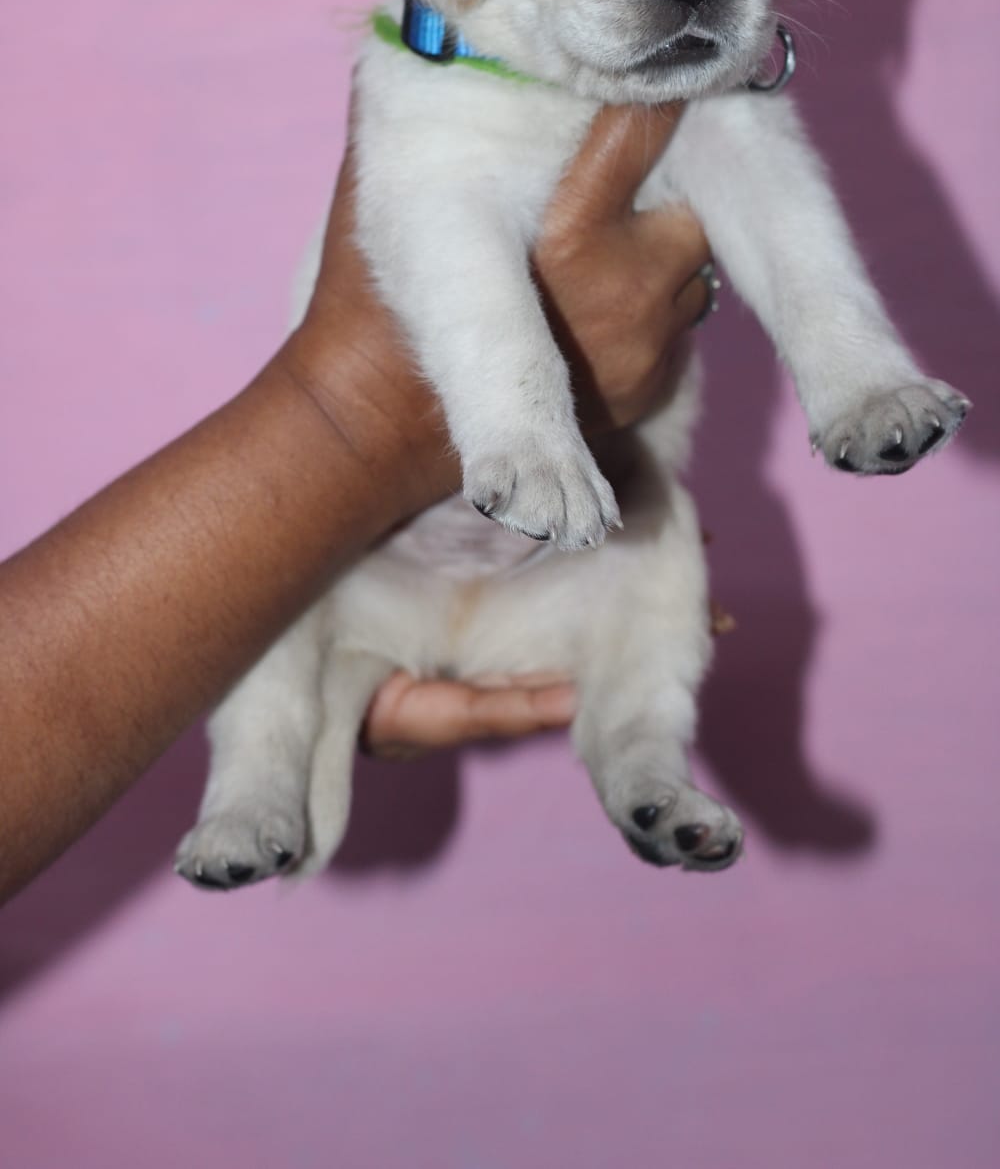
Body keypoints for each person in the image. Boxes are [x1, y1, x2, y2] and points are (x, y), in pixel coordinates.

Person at [0, 99, 713, 905]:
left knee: (661, 553)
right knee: (268, 591)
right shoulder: (430, 84)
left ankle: (640, 760)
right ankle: (252, 789)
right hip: (379, 549)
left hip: (571, 553)